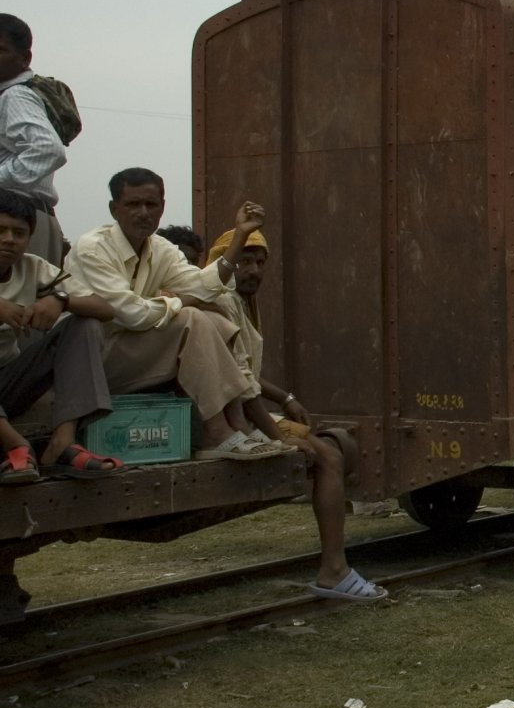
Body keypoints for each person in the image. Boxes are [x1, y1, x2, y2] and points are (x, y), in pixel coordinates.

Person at [206, 227, 386, 600]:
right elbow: (237, 382)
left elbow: (248, 374)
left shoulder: (241, 303)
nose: (253, 270)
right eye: (244, 261)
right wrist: (276, 435)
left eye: (259, 262)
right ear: (225, 262)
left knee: (325, 448)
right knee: (328, 457)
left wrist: (285, 397)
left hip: (242, 411)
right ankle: (334, 570)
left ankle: (335, 567)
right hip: (222, 420)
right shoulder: (221, 301)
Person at [68, 170, 281, 462]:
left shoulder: (160, 249)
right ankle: (216, 433)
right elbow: (130, 313)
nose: (143, 213)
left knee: (216, 320)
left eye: (151, 205)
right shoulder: (93, 248)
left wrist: (240, 235)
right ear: (114, 209)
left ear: (162, 207)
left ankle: (238, 425)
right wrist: (181, 302)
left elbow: (205, 286)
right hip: (90, 365)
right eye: (133, 205)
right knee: (192, 318)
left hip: (130, 356)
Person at [0, 187, 117, 481]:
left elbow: (104, 308)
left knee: (85, 323)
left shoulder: (32, 267)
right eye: (0, 230)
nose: (9, 240)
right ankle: (16, 445)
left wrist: (61, 300)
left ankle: (61, 443)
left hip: (9, 381)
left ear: (29, 238)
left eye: (19, 232)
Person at [0, 15, 72, 263]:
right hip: (27, 220)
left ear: (25, 58)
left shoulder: (15, 95)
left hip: (18, 222)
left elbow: (48, 150)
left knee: (21, 300)